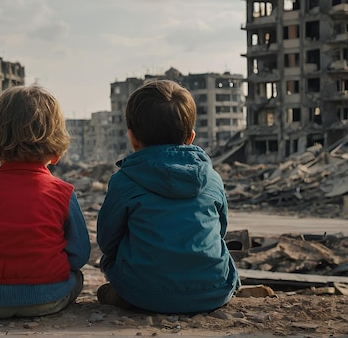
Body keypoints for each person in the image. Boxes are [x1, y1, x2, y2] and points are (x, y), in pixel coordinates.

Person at [0, 85, 91, 319]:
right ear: (57, 149)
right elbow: (80, 255)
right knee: (77, 278)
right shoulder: (64, 193)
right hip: (50, 298)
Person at [96, 79, 240, 314]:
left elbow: (107, 242)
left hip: (143, 293)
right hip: (213, 291)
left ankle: (127, 295)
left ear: (132, 138)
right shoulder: (212, 178)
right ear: (191, 137)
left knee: (108, 261)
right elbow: (220, 231)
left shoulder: (124, 181)